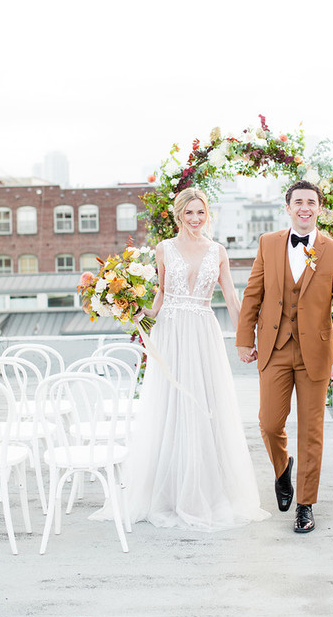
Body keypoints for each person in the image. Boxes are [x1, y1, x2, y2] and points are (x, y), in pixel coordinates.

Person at [91, 187, 269, 531]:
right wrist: (136, 312)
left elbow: (231, 296)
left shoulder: (218, 251)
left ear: (208, 215)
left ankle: (204, 490)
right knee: (169, 406)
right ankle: (167, 492)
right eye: (189, 213)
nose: (195, 219)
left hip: (203, 332)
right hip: (170, 332)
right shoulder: (164, 249)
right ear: (178, 215)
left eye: (201, 212)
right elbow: (159, 293)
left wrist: (245, 339)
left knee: (204, 404)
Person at [236, 180, 333, 534]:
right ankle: (282, 468)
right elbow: (252, 293)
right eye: (298, 202)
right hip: (274, 348)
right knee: (269, 424)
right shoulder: (267, 243)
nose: (305, 207)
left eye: (311, 202)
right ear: (287, 207)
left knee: (311, 431)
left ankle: (305, 504)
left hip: (316, 353)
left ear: (319, 209)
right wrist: (244, 339)